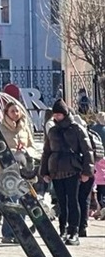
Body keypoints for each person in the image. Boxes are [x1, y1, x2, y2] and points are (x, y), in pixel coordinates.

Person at [40, 99, 94, 245]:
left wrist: (87, 172)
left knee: (72, 200)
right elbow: (46, 151)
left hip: (72, 169)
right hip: (56, 170)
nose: (56, 117)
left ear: (65, 114)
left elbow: (87, 151)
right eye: (55, 115)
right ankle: (62, 229)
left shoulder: (76, 129)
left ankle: (74, 231)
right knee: (61, 202)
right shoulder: (52, 130)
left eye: (59, 114)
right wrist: (44, 171)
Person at [0, 97, 39, 242]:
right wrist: (13, 151)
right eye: (12, 111)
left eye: (17, 111)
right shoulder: (1, 128)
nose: (15, 113)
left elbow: (32, 145)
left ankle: (20, 233)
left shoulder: (25, 127)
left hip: (24, 169)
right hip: (8, 169)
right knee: (11, 201)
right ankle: (8, 233)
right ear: (6, 113)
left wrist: (26, 150)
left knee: (24, 200)